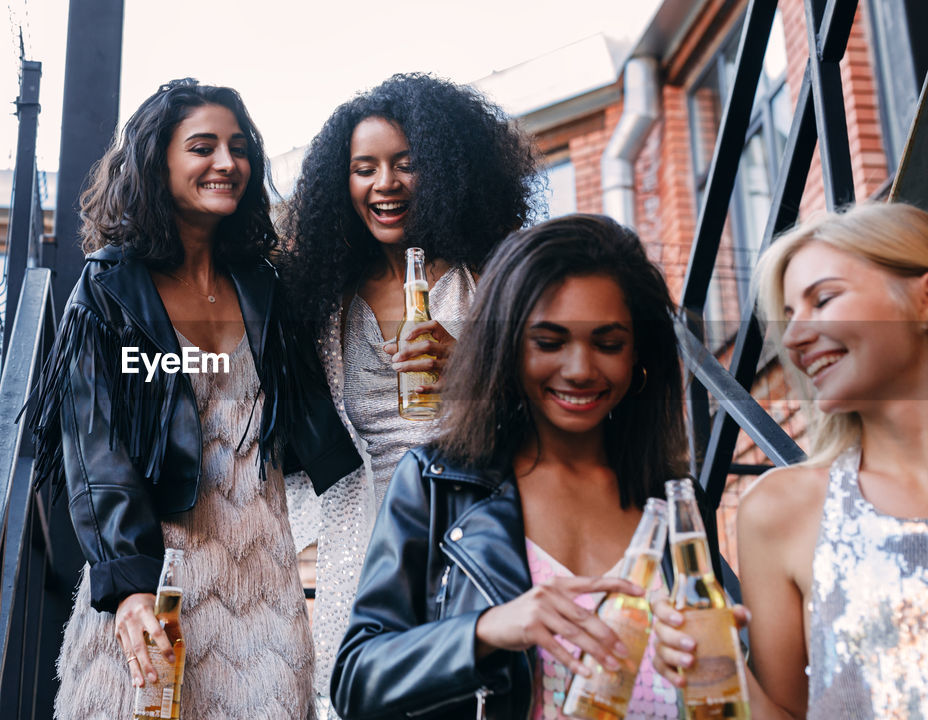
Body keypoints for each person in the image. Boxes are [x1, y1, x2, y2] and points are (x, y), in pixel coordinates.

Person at [27, 78, 361, 720]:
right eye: (202, 147)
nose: (226, 163)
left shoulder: (267, 288)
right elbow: (95, 449)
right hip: (158, 577)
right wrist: (127, 586)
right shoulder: (110, 291)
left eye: (238, 148)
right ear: (159, 162)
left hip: (264, 582)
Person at [331, 214, 690, 719]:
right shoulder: (437, 484)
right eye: (549, 342)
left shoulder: (675, 502)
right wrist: (489, 629)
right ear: (506, 348)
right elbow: (356, 681)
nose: (580, 368)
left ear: (639, 358)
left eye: (608, 344)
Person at [278, 73, 541, 715]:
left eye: (405, 164)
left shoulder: (495, 276)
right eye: (363, 168)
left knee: (472, 690)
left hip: (474, 520)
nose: (384, 184)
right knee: (366, 694)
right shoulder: (321, 299)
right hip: (363, 540)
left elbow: (559, 403)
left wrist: (476, 370)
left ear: (449, 171)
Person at [651, 201, 928, 719]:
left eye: (823, 299)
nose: (796, 339)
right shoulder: (782, 509)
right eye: (789, 317)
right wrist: (719, 666)